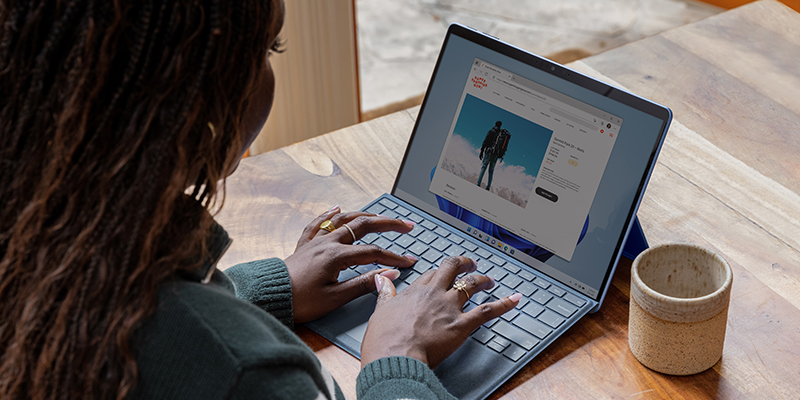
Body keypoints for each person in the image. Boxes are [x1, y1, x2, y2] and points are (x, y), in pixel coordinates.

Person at [0, 1, 521, 399]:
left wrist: (260, 288)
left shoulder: (36, 237)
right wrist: (395, 357)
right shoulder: (249, 374)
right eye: (269, 50)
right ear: (194, 94)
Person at [477, 121, 510, 191]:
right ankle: (488, 187)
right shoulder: (501, 134)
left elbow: (485, 141)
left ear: (495, 124)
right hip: (496, 155)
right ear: (500, 126)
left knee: (484, 167)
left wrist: (482, 151)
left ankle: (478, 184)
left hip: (489, 151)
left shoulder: (491, 131)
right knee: (491, 171)